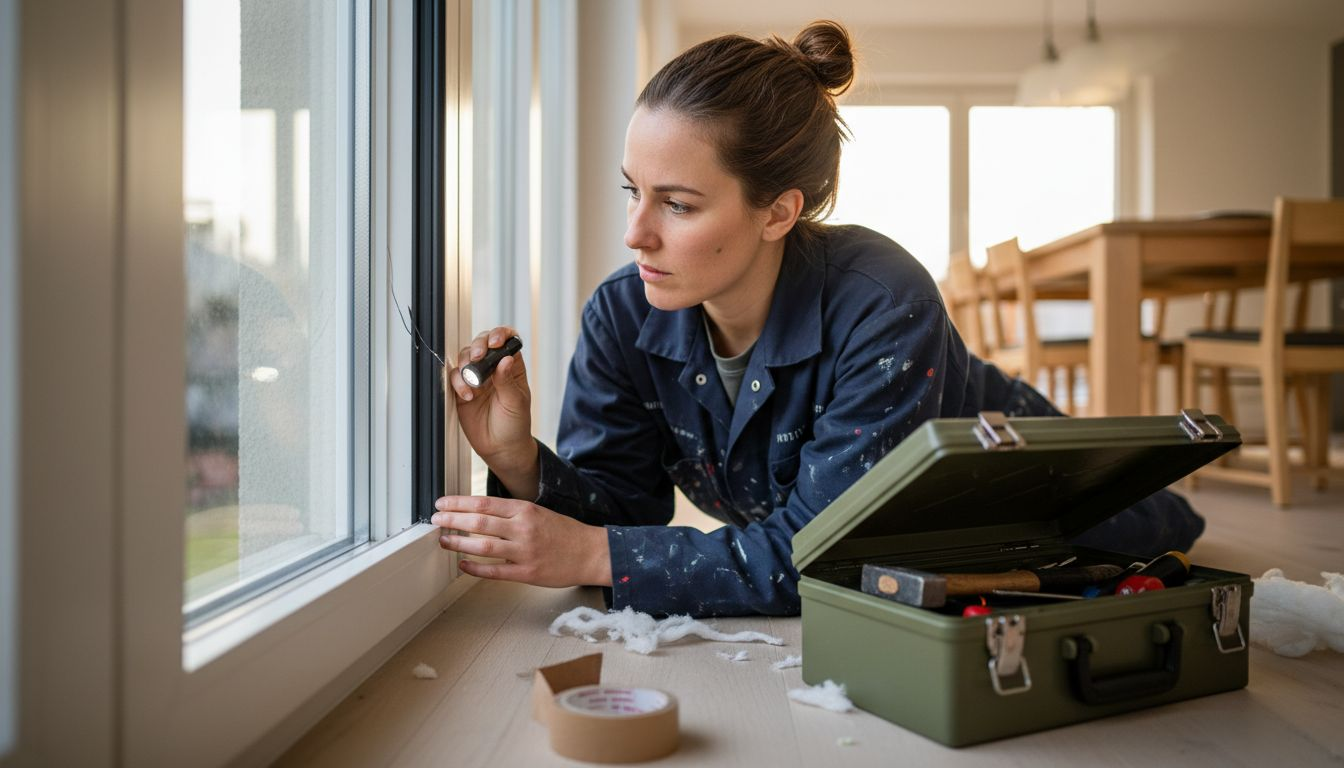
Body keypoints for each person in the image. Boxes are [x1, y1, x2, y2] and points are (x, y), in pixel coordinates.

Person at [431, 20, 1204, 617]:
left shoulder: (883, 298)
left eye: (678, 204)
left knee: (1156, 525)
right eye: (632, 191)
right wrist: (523, 463)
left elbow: (823, 557)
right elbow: (624, 510)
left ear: (779, 211)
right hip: (878, 534)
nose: (636, 232)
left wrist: (598, 558)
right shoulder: (621, 313)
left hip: (1027, 485)